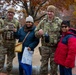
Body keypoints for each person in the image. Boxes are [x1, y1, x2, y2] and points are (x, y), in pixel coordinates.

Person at [35, 5, 62, 75]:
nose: (49, 13)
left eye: (51, 11)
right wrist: (39, 33)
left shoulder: (59, 22)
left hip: (55, 48)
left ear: (54, 13)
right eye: (48, 11)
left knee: (54, 67)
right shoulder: (42, 22)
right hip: (45, 48)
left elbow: (64, 32)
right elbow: (35, 33)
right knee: (43, 67)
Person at [0, 7, 20, 75]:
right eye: (9, 12)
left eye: (12, 13)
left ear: (14, 14)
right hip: (3, 44)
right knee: (0, 60)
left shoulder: (16, 22)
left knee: (10, 62)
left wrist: (16, 31)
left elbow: (19, 33)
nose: (10, 14)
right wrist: (5, 29)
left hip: (12, 45)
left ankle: (8, 73)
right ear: (7, 13)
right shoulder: (2, 21)